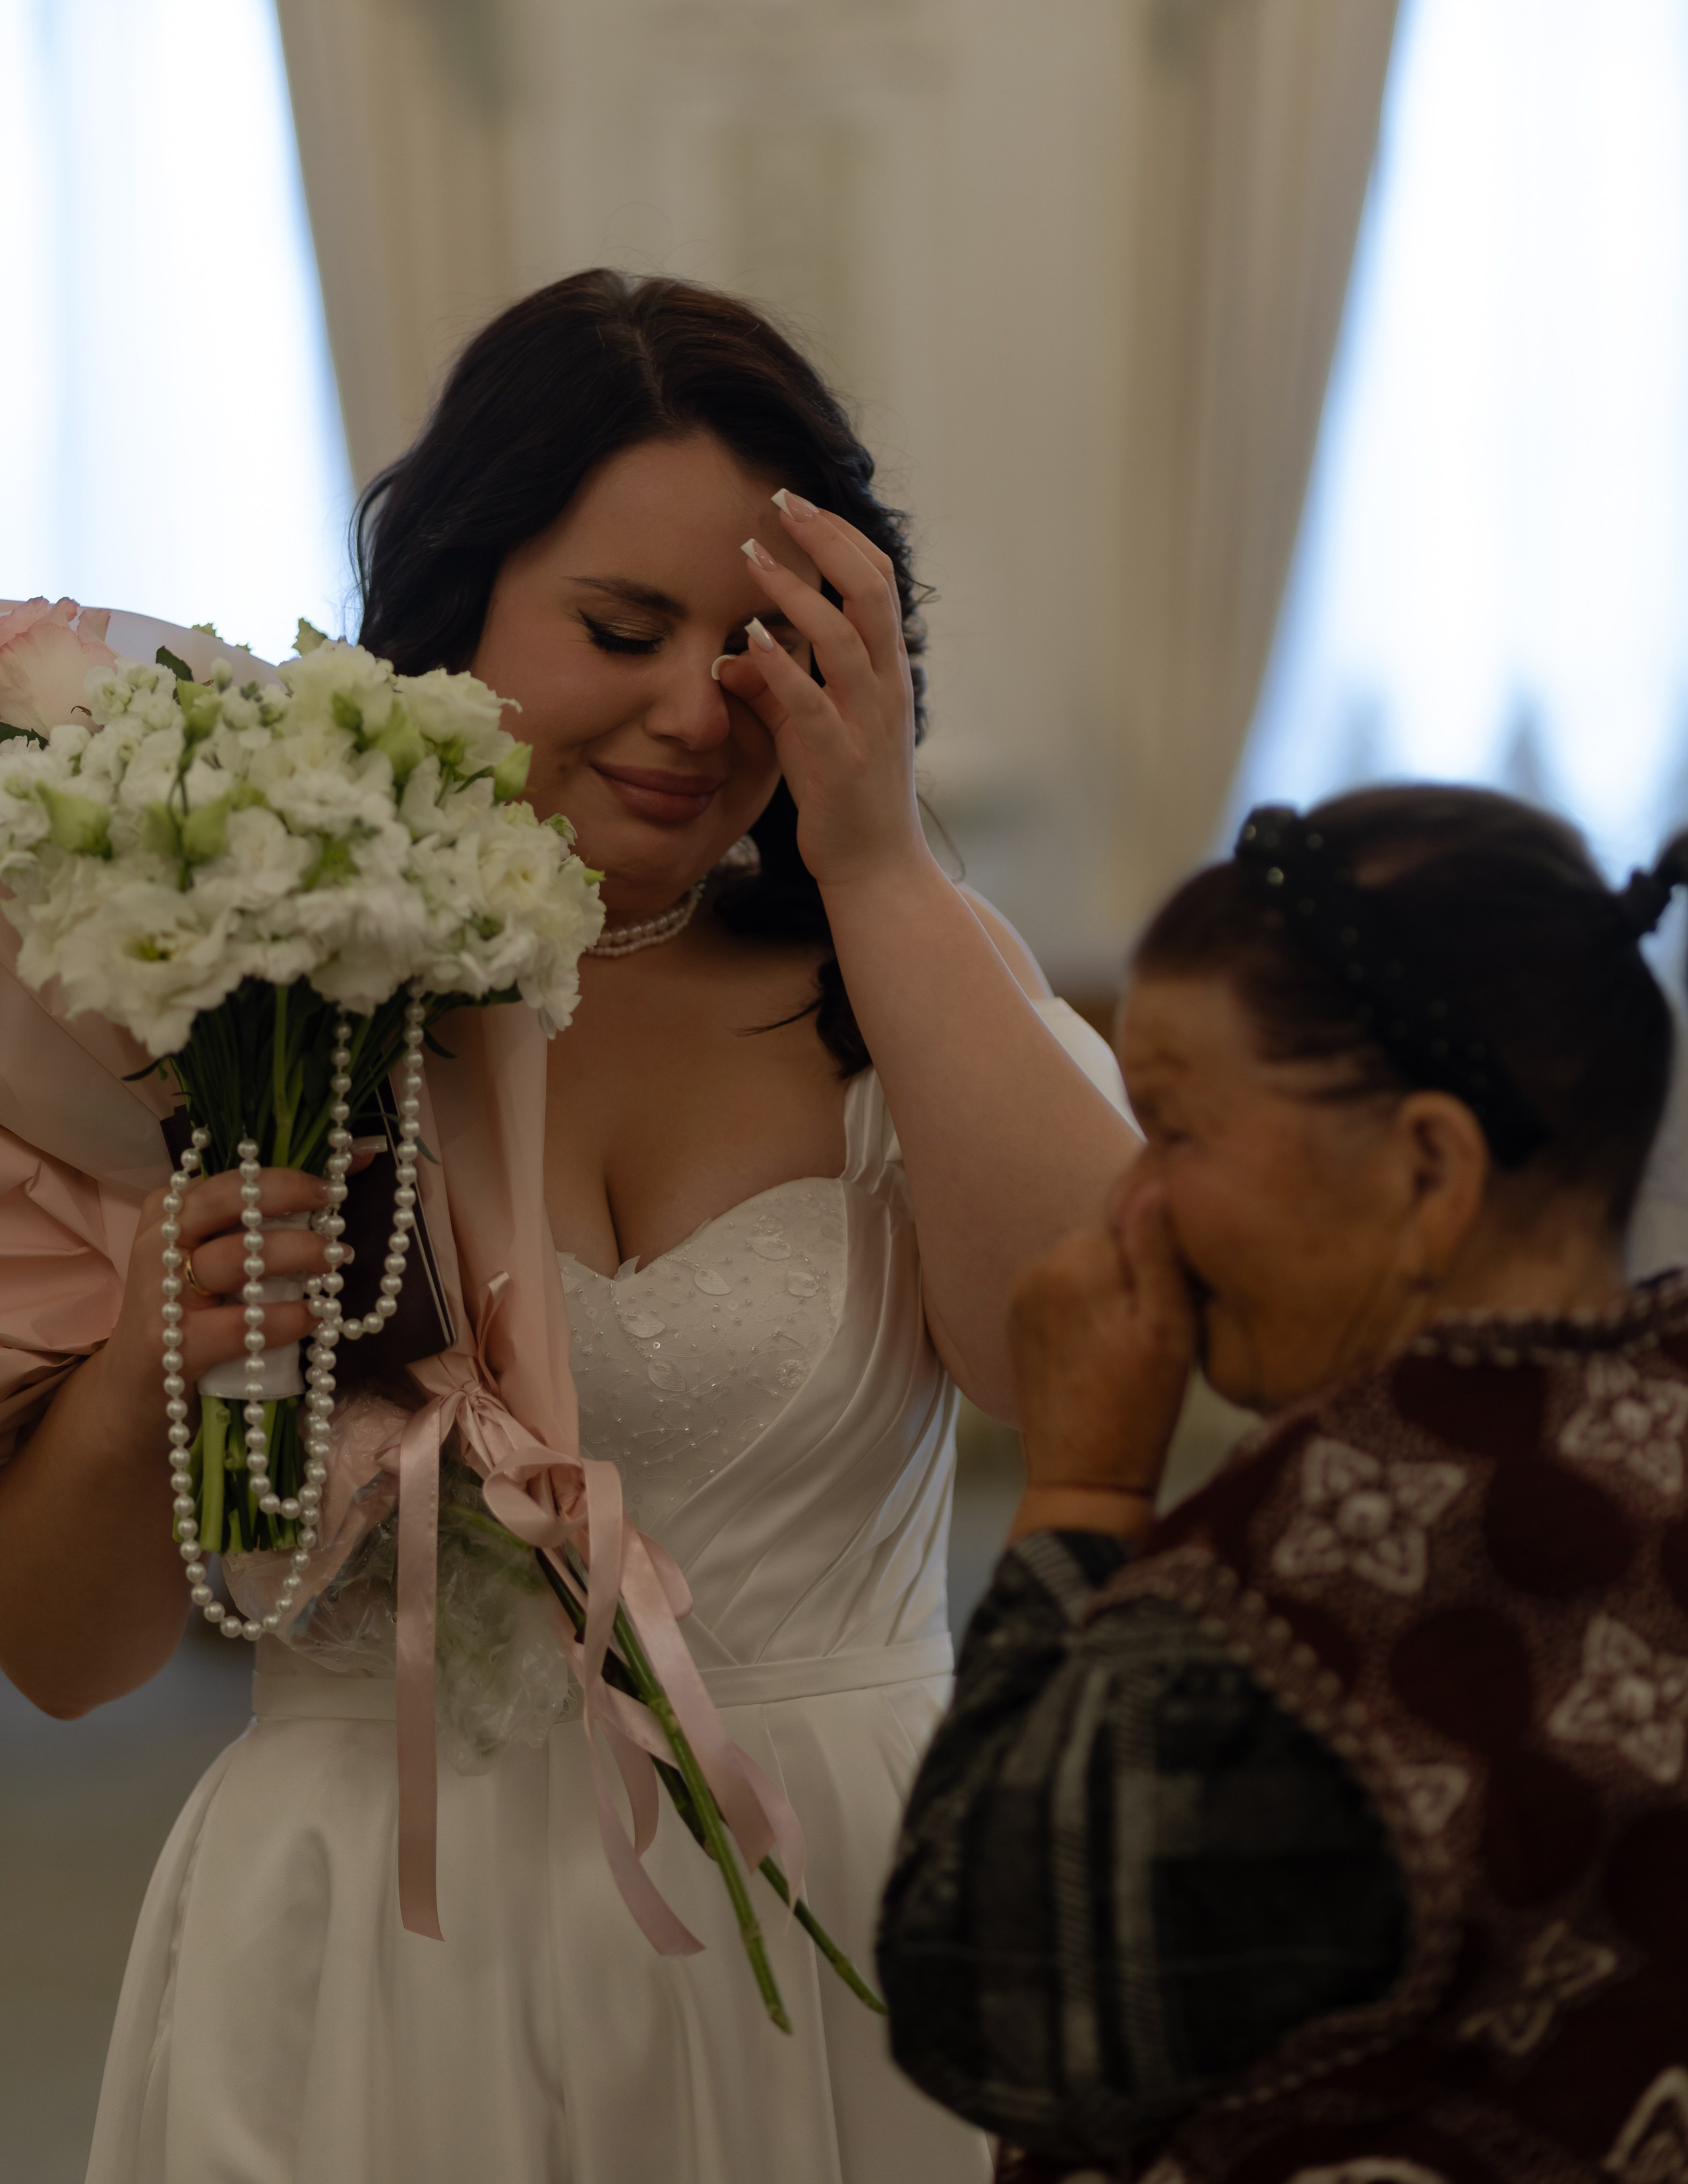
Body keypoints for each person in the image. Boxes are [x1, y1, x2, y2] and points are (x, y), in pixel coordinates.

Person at [0, 272, 1138, 2183]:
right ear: (458, 602)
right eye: (625, 626)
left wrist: (877, 858)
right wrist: (144, 1369)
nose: (701, 708)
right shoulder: (236, 1013)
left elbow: (1072, 1361)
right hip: (375, 1951)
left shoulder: (903, 981)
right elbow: (68, 1659)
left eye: (763, 641)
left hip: (845, 1898)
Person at [878, 785, 1688, 2184]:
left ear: (1428, 1164)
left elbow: (991, 2007)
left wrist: (1076, 1499)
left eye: (1175, 1133)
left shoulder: (1302, 1579)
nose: (1130, 1206)